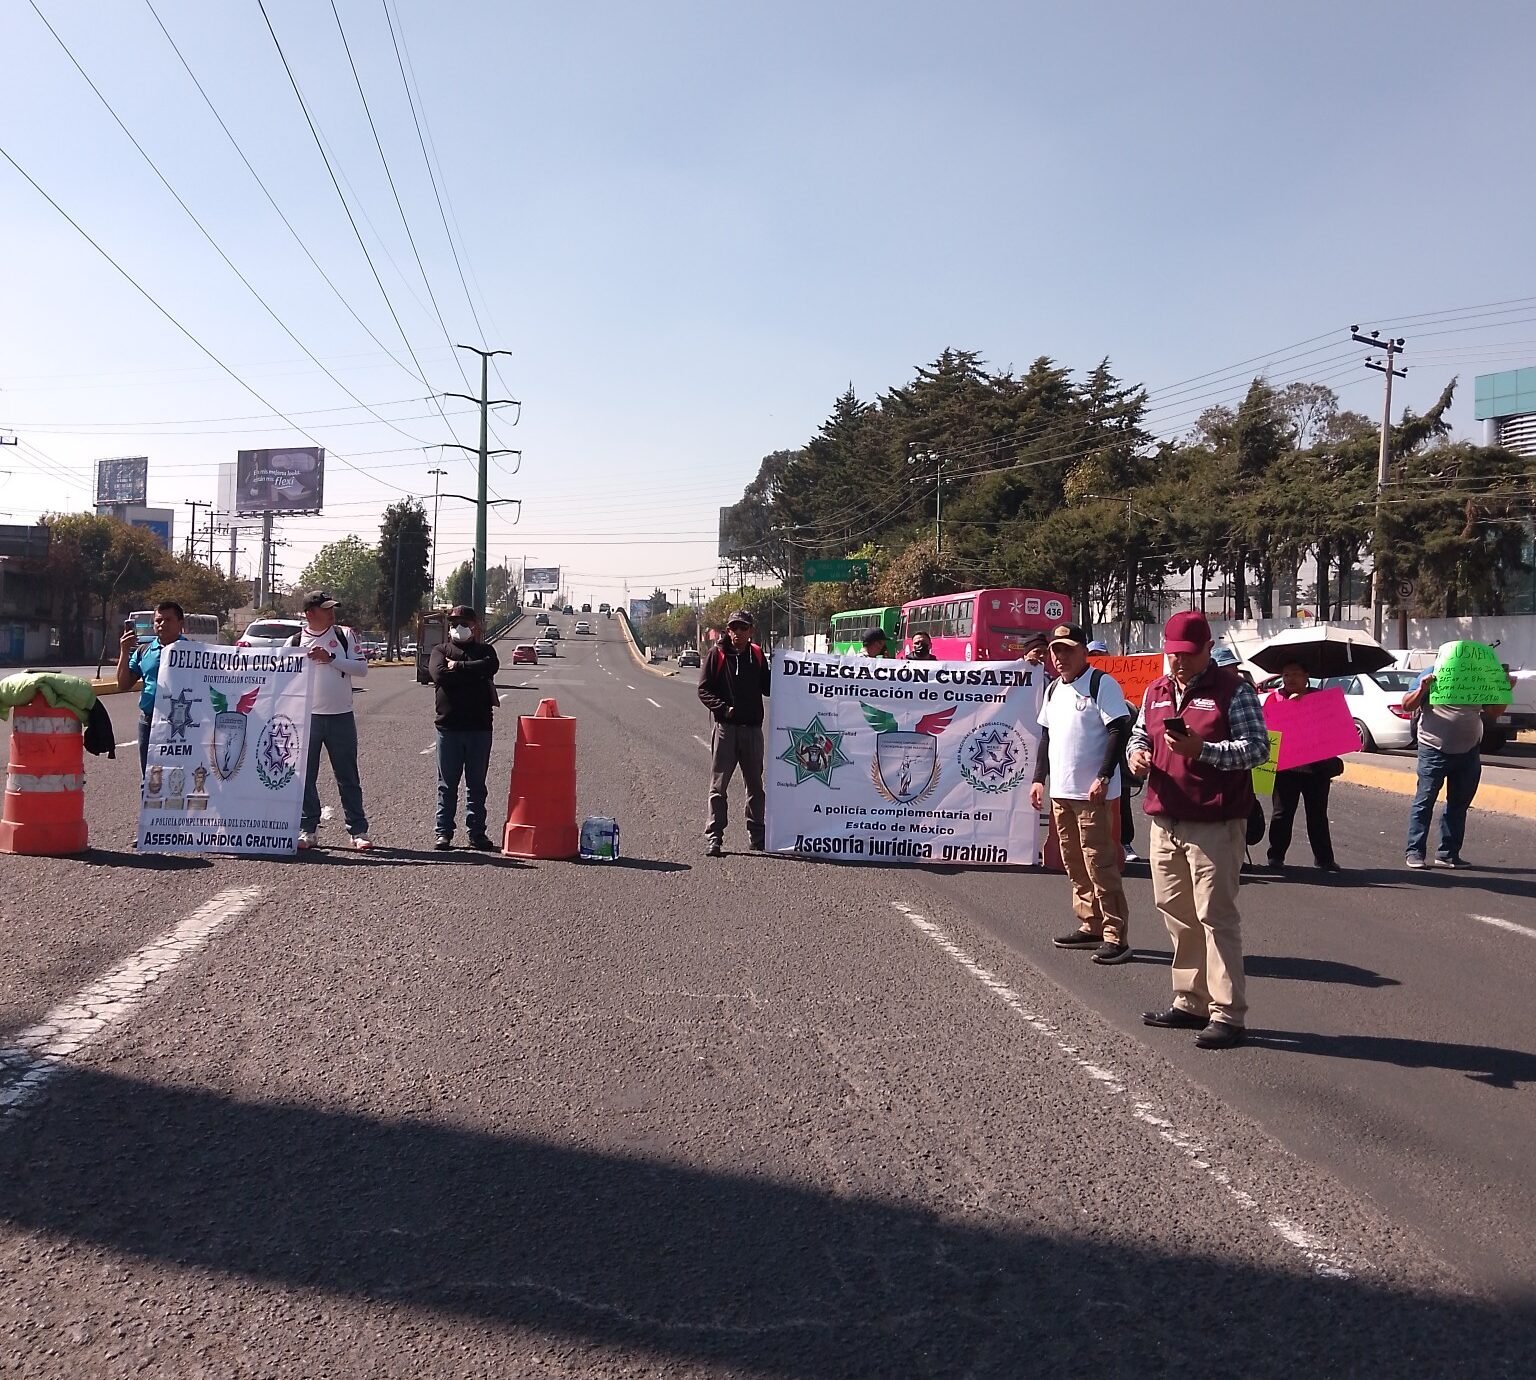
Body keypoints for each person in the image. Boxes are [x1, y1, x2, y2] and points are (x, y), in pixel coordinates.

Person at [1128, 610, 1268, 1050]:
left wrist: (1202, 750)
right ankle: (1190, 1000)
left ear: (1208, 649)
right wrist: (1137, 755)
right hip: (1165, 817)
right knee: (1175, 912)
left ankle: (1228, 1014)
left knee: (1216, 917)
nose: (1179, 663)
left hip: (1215, 823)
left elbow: (1257, 748)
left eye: (1188, 654)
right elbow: (1139, 734)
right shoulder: (1156, 691)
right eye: (1173, 655)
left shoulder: (1234, 692)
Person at [1029, 624, 1134, 964]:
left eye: (1068, 650)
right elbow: (1046, 737)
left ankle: (1116, 935)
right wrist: (1039, 779)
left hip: (1093, 795)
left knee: (1100, 862)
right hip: (1062, 791)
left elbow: (1118, 729)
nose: (1060, 657)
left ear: (1083, 651)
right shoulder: (1053, 690)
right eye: (1056, 651)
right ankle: (1090, 923)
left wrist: (1104, 775)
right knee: (1073, 861)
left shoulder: (1101, 684)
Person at [1401, 651, 1508, 869]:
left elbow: (1494, 712)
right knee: (1425, 801)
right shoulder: (1432, 673)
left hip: (1468, 751)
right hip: (1433, 749)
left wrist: (1505, 689)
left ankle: (1448, 853)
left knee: (1459, 804)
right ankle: (1414, 851)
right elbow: (1407, 705)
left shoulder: (1477, 677)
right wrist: (1422, 689)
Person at [292, 590, 371, 851]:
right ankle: (308, 829)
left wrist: (332, 658)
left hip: (340, 716)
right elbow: (277, 675)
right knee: (305, 776)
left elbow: (361, 668)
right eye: (326, 609)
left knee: (347, 775)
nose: (331, 612)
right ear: (310, 613)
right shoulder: (293, 641)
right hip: (306, 718)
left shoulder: (344, 635)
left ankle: (358, 830)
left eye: (332, 608)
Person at [698, 609, 771, 857]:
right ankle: (715, 838)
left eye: (743, 628)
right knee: (719, 787)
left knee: (756, 787)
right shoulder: (717, 654)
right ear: (727, 630)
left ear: (751, 631)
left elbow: (769, 687)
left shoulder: (758, 655)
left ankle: (757, 836)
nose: (738, 633)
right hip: (726, 731)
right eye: (733, 628)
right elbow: (704, 690)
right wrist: (723, 709)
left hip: (752, 732)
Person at [429, 605, 500, 852]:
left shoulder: (486, 650)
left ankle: (477, 833)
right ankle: (443, 833)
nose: (459, 627)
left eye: (464, 623)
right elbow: (439, 675)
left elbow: (489, 666)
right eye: (454, 623)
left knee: (476, 785)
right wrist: (472, 673)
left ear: (475, 626)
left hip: (479, 728)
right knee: (447, 785)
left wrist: (457, 667)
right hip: (448, 728)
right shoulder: (440, 650)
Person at [1264, 660, 1340, 872]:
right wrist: (1289, 706)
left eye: (1296, 674)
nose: (1290, 679)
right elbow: (1268, 726)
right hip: (1285, 768)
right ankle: (1275, 856)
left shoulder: (1320, 698)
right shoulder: (1274, 698)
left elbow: (1332, 727)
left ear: (1307, 676)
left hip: (1317, 768)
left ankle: (1324, 859)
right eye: (1286, 675)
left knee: (1317, 814)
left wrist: (1306, 705)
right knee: (1282, 813)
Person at [115, 601, 187, 775]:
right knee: (149, 778)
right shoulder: (144, 650)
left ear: (180, 624)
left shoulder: (194, 652)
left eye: (168, 620)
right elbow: (123, 684)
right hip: (149, 722)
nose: (162, 624)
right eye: (158, 620)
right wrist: (124, 652)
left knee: (179, 777)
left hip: (182, 724)